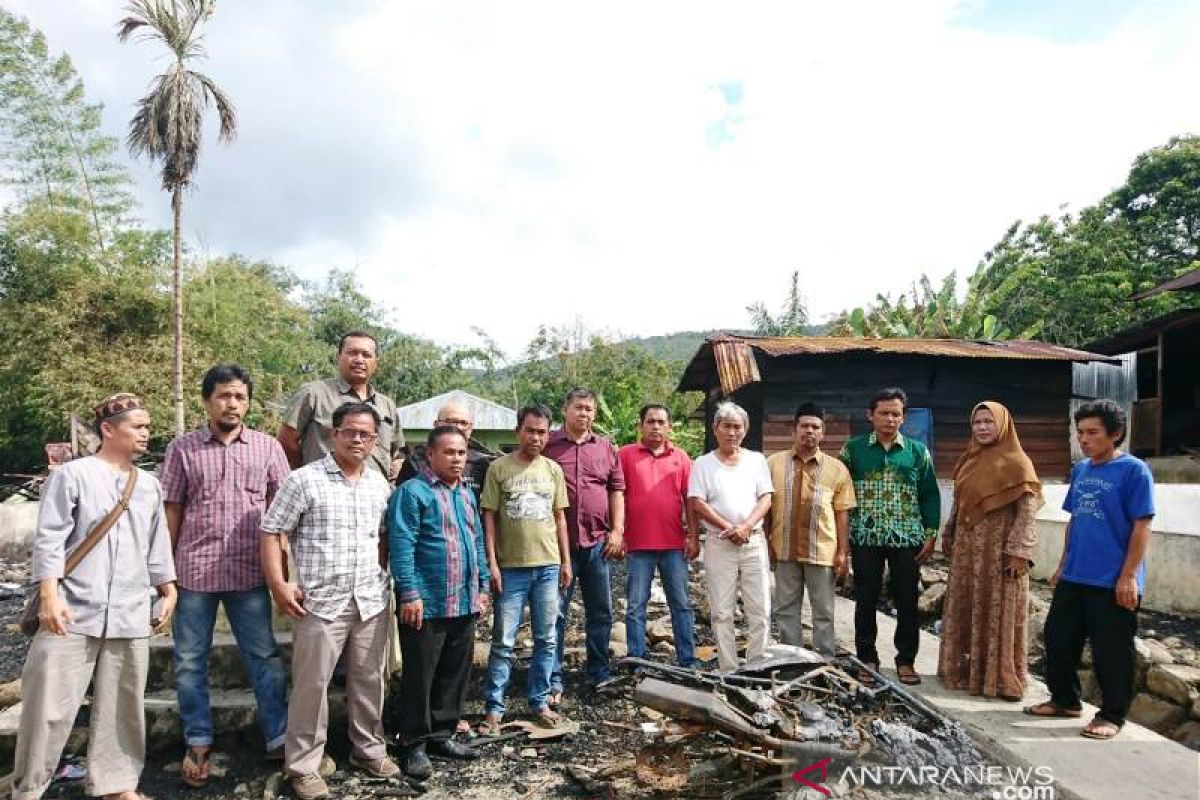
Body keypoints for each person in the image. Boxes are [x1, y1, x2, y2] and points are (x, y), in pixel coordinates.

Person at [12, 393, 177, 800]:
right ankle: (29, 789)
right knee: (48, 708)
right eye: (138, 426)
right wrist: (49, 595)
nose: (146, 434)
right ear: (108, 429)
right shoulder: (73, 475)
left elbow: (157, 543)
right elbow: (49, 538)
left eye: (148, 427)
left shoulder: (149, 486)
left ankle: (117, 785)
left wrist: (167, 588)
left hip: (130, 608)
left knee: (123, 706)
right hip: (71, 609)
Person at [160, 365, 291, 786]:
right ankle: (198, 739)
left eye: (239, 396)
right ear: (206, 400)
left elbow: (283, 511)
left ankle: (279, 737)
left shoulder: (269, 448)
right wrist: (164, 573)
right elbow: (173, 508)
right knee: (189, 661)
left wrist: (284, 572)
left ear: (247, 402)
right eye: (223, 396)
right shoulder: (183, 449)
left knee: (265, 659)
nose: (231, 404)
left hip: (250, 571)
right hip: (194, 572)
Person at [261, 402, 400, 800]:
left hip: (370, 599)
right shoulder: (304, 480)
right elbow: (272, 531)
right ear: (333, 433)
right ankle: (303, 766)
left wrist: (386, 576)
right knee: (312, 685)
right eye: (350, 432)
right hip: (321, 602)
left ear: (375, 441)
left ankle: (368, 751)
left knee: (370, 680)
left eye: (366, 434)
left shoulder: (377, 482)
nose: (358, 439)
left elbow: (384, 538)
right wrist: (279, 584)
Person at [1025, 400, 1153, 741]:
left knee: (1111, 649)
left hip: (1113, 580)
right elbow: (1075, 520)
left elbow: (1142, 526)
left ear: (1116, 434)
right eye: (1080, 433)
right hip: (1075, 575)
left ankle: (1112, 715)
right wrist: (1063, 564)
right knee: (1058, 638)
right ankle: (1065, 700)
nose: (1084, 439)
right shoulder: (1081, 470)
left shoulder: (1134, 471)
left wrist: (1128, 576)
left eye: (1093, 433)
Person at [388, 426, 490, 779]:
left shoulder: (465, 494)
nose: (457, 459)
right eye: (449, 452)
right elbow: (402, 547)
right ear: (429, 455)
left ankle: (441, 735)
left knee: (453, 673)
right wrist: (410, 593)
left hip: (463, 600)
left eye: (461, 453)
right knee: (420, 675)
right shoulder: (411, 493)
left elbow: (475, 543)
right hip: (427, 603)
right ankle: (413, 743)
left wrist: (482, 587)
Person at [478, 405, 572, 734]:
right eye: (530, 430)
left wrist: (565, 562)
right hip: (512, 569)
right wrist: (492, 563)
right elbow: (488, 517)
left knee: (546, 638)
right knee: (503, 640)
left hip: (548, 566)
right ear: (518, 431)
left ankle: (540, 701)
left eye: (542, 432)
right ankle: (494, 707)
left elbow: (560, 517)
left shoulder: (552, 470)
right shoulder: (498, 469)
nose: (536, 438)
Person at [939, 401, 1041, 700]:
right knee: (966, 604)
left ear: (1003, 424)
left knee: (998, 608)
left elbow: (1028, 510)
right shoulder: (968, 460)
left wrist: (1020, 550)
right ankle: (965, 673)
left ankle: (1001, 678)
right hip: (968, 551)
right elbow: (959, 503)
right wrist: (949, 534)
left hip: (999, 554)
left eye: (989, 421)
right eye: (977, 422)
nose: (982, 427)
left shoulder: (1018, 462)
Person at [839, 387, 940, 686]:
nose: (890, 419)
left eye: (896, 413)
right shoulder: (852, 450)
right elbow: (840, 493)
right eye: (883, 413)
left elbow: (930, 495)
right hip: (865, 537)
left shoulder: (917, 452)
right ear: (870, 415)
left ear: (904, 417)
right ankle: (867, 658)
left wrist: (931, 533)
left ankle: (906, 661)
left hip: (907, 538)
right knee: (866, 598)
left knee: (907, 600)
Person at [545, 388, 625, 700]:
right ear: (565, 409)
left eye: (590, 409)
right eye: (579, 407)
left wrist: (617, 530)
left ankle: (598, 671)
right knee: (555, 613)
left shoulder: (605, 448)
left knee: (601, 611)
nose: (585, 414)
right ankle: (552, 679)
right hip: (555, 545)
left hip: (596, 543)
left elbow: (616, 489)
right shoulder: (548, 445)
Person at [687, 401, 773, 673]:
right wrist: (729, 526)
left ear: (745, 430)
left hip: (753, 541)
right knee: (722, 611)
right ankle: (728, 669)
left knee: (759, 609)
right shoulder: (703, 464)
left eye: (737, 427)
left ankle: (757, 666)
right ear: (716, 429)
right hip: (719, 543)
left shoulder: (756, 460)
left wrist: (746, 526)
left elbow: (766, 498)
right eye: (727, 426)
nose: (732, 432)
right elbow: (697, 501)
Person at [766, 402, 855, 657]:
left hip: (822, 551)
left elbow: (842, 513)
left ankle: (824, 659)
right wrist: (766, 541)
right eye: (804, 426)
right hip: (784, 549)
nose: (809, 431)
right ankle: (792, 660)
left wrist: (842, 553)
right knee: (786, 609)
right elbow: (766, 507)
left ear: (823, 432)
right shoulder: (774, 464)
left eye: (815, 427)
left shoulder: (836, 468)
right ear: (794, 430)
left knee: (824, 611)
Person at [619, 404, 700, 667]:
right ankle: (637, 657)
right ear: (640, 425)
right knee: (635, 605)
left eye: (661, 422)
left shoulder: (681, 458)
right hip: (637, 543)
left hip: (674, 544)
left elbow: (690, 499)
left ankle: (687, 659)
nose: (656, 426)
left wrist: (693, 536)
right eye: (650, 421)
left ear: (669, 426)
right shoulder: (625, 456)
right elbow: (616, 495)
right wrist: (618, 532)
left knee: (681, 603)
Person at [278, 331, 404, 479]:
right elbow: (286, 442)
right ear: (338, 357)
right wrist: (307, 475)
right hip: (322, 490)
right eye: (352, 353)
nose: (359, 360)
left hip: (375, 495)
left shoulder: (387, 405)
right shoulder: (314, 394)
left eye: (366, 355)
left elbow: (397, 453)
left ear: (376, 362)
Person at [396, 397, 497, 503]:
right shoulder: (416, 461)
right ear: (436, 425)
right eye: (451, 421)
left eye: (463, 423)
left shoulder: (480, 463)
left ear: (471, 429)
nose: (458, 427)